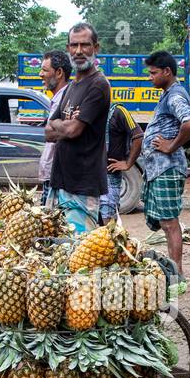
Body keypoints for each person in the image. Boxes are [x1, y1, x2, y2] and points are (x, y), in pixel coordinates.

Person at [44, 23, 111, 233]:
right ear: (68, 48)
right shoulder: (71, 86)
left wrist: (61, 126)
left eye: (85, 45)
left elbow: (73, 130)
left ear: (96, 48)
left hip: (83, 185)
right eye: (74, 45)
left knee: (79, 252)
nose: (79, 51)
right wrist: (63, 126)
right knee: (58, 250)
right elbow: (48, 133)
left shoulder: (98, 84)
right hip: (61, 181)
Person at [140, 50, 190, 276]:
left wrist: (171, 145)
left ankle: (177, 274)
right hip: (159, 170)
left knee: (170, 223)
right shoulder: (168, 93)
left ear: (167, 72)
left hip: (167, 168)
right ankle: (174, 271)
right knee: (165, 223)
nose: (150, 77)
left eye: (153, 73)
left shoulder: (174, 96)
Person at [37, 49, 73, 206]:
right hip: (52, 176)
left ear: (59, 73)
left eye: (45, 70)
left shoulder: (66, 99)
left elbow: (51, 133)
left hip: (57, 177)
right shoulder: (57, 99)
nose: (40, 74)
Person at [100, 102, 142, 223]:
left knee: (107, 219)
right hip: (92, 176)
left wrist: (128, 163)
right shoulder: (91, 112)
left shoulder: (118, 111)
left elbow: (138, 136)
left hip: (110, 176)